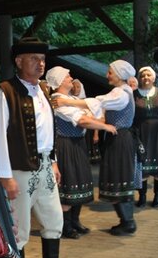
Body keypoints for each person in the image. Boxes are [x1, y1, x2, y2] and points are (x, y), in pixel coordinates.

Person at [0, 36, 71, 258]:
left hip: (45, 166)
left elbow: (49, 131)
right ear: (19, 61)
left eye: (43, 59)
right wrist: (4, 177)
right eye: (34, 59)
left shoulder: (44, 90)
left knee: (54, 218)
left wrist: (54, 162)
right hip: (19, 170)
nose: (40, 64)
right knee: (20, 226)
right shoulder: (6, 92)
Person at [55, 60, 138, 236]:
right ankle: (71, 224)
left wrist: (70, 103)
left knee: (119, 175)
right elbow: (92, 113)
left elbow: (100, 103)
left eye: (110, 72)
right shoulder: (123, 91)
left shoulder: (121, 93)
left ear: (120, 74)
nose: (107, 75)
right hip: (111, 137)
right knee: (115, 175)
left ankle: (128, 222)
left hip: (119, 137)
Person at [46, 66, 117, 238]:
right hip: (66, 146)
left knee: (79, 182)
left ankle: (75, 221)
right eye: (67, 76)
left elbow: (92, 113)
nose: (71, 77)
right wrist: (105, 126)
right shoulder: (57, 100)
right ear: (58, 81)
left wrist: (98, 120)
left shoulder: (69, 98)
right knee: (69, 185)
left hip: (76, 145)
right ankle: (66, 226)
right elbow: (83, 120)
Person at [132, 66, 158, 208]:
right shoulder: (134, 94)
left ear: (153, 77)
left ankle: (157, 196)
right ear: (140, 78)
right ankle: (142, 196)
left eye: (148, 75)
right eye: (143, 75)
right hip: (141, 133)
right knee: (142, 166)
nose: (146, 78)